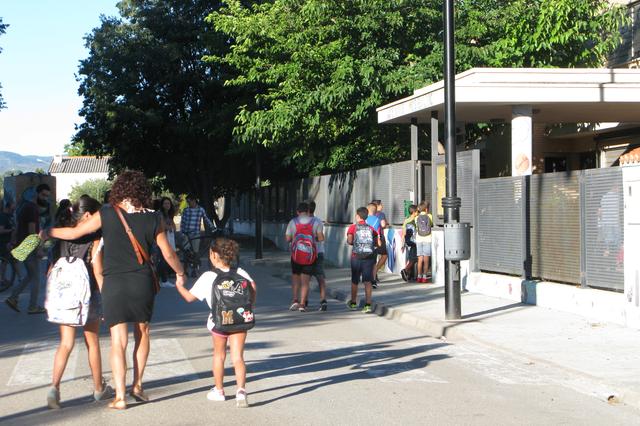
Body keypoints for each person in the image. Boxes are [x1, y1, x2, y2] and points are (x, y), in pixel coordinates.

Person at [42, 170, 186, 410]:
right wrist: (180, 274)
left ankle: (120, 396)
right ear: (143, 191)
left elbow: (76, 232)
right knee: (143, 333)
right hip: (141, 282)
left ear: (119, 189)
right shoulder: (155, 218)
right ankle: (137, 386)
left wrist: (48, 232)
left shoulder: (107, 213)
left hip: (113, 284)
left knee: (118, 340)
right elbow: (168, 253)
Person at [46, 195, 112, 409]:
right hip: (88, 294)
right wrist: (106, 298)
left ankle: (54, 389)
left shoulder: (63, 234)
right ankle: (98, 389)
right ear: (87, 215)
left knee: (65, 343)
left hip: (65, 295)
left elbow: (50, 268)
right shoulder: (95, 238)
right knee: (92, 342)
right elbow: (98, 270)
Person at [175, 238, 256, 408]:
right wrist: (249, 306)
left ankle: (219, 391)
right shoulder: (240, 272)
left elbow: (189, 298)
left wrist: (179, 286)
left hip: (219, 322)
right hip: (240, 320)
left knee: (219, 355)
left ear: (212, 255)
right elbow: (253, 287)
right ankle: (241, 391)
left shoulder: (208, 276)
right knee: (238, 357)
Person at [5, 184, 51, 314]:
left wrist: (13, 241)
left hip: (23, 245)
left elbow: (18, 227)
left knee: (31, 275)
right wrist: (37, 249)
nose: (45, 198)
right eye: (43, 195)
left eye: (47, 196)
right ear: (36, 193)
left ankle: (13, 297)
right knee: (35, 277)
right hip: (28, 245)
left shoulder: (25, 206)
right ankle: (33, 306)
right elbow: (32, 232)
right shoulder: (32, 208)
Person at [285, 202, 323, 312]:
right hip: (310, 256)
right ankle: (302, 304)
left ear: (297, 211)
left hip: (296, 255)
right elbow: (320, 238)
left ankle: (295, 300)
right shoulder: (315, 222)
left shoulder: (293, 222)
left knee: (296, 279)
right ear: (308, 211)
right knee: (305, 282)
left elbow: (287, 239)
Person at [346, 207, 380, 314]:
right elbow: (377, 243)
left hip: (356, 257)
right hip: (369, 257)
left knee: (355, 280)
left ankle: (353, 302)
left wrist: (355, 243)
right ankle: (368, 305)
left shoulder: (353, 227)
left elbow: (350, 241)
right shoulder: (371, 228)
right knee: (368, 281)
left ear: (357, 216)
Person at [308, 201, 328, 311]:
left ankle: (304, 302)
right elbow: (321, 238)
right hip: (319, 251)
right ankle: (323, 300)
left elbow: (320, 238)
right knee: (320, 277)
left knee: (306, 278)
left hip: (307, 253)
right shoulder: (318, 221)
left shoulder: (302, 222)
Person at [157, 197, 177, 286]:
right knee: (162, 259)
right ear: (162, 205)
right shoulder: (160, 214)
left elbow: (174, 226)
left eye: (168, 203)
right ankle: (163, 281)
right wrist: (170, 227)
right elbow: (163, 226)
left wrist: (171, 227)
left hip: (167, 238)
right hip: (161, 238)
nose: (167, 205)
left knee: (163, 259)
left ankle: (160, 280)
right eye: (165, 203)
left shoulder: (169, 214)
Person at [415, 202, 433, 283]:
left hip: (419, 239)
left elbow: (416, 227)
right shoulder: (429, 216)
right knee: (426, 259)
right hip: (427, 239)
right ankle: (425, 277)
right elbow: (431, 225)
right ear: (426, 209)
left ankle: (419, 276)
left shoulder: (417, 217)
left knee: (420, 259)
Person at [0, 199, 16, 292]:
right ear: (8, 207)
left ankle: (3, 278)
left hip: (7, 242)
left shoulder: (8, 216)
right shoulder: (2, 217)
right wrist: (11, 230)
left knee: (5, 262)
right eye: (12, 207)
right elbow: (1, 230)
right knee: (4, 261)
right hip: (2, 242)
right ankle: (2, 279)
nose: (13, 209)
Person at [365, 203, 382, 289]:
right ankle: (374, 280)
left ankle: (366, 278)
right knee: (374, 263)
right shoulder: (377, 220)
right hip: (374, 244)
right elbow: (378, 232)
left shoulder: (365, 220)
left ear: (367, 210)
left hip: (365, 244)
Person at [400, 204, 419, 282]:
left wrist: (402, 244)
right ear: (414, 212)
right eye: (417, 211)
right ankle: (405, 270)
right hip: (415, 242)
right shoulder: (415, 220)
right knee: (413, 259)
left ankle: (409, 274)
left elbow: (403, 233)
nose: (418, 213)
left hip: (408, 242)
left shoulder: (406, 220)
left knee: (410, 258)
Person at [372, 200, 389, 284]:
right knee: (384, 255)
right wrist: (385, 224)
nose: (382, 206)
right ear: (377, 206)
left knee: (373, 257)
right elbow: (383, 225)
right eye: (381, 204)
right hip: (379, 237)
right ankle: (374, 273)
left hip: (370, 237)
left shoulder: (370, 214)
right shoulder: (381, 214)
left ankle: (372, 274)